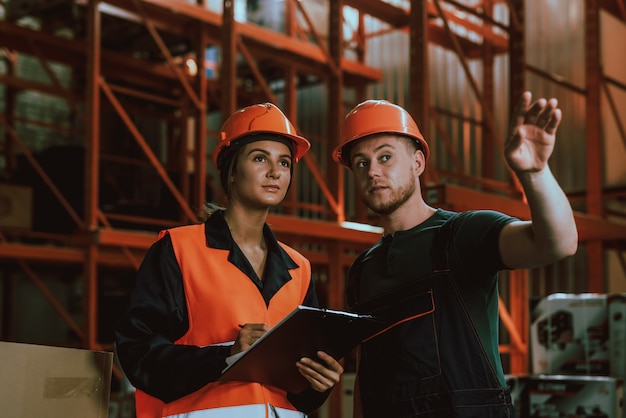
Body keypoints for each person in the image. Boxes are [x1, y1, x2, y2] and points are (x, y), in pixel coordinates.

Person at [332, 92, 578, 417]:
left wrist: (534, 173)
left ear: (417, 162)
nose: (373, 171)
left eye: (386, 157)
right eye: (361, 163)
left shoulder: (463, 235)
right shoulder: (363, 269)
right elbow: (366, 371)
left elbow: (558, 243)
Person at [115, 102, 344, 418]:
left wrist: (318, 384)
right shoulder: (179, 249)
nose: (275, 172)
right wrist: (227, 354)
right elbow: (138, 354)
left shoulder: (299, 269)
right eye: (260, 158)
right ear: (232, 170)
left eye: (285, 163)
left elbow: (299, 389)